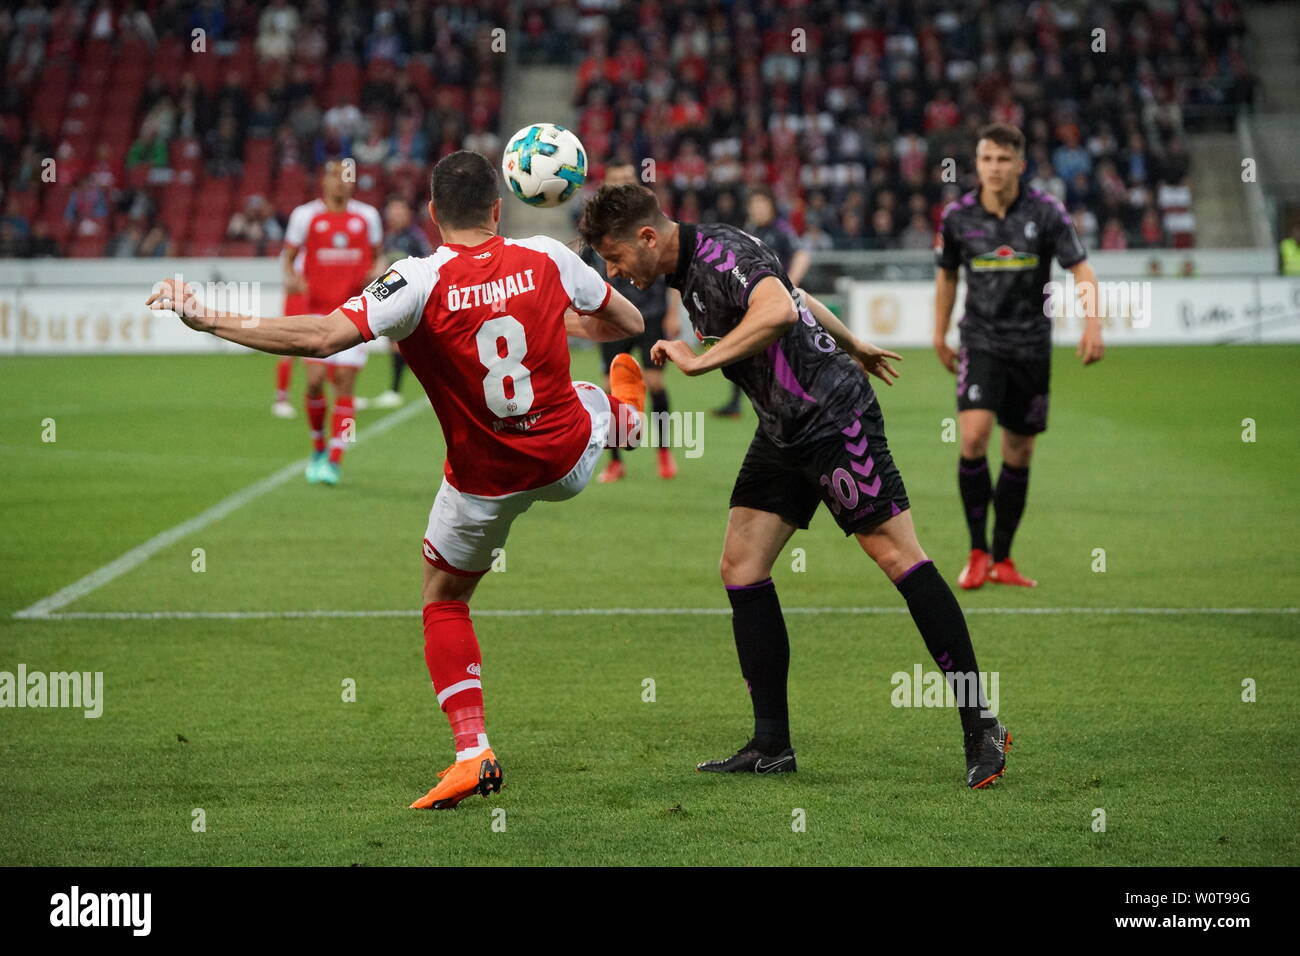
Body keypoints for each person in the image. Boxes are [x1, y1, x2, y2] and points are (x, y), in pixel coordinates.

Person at [147, 150, 647, 808]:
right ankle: (625, 419)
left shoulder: (414, 279)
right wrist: (552, 317)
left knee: (444, 600)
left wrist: (209, 318)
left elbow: (322, 337)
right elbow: (630, 324)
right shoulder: (550, 258)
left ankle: (472, 751)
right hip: (564, 463)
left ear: (435, 215)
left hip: (482, 484)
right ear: (499, 210)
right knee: (586, 396)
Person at [578, 183, 1012, 789]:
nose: (613, 269)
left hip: (834, 419)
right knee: (741, 565)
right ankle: (771, 743)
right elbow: (798, 297)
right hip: (784, 429)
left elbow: (778, 310)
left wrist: (701, 362)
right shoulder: (695, 270)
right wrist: (853, 341)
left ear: (647, 236)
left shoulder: (719, 254)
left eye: (614, 255)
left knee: (898, 556)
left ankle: (981, 722)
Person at [934, 123, 1104, 589]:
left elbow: (1081, 268)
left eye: (1002, 159)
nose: (993, 167)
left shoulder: (1046, 212)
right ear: (977, 163)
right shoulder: (958, 216)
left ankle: (1003, 558)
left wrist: (1093, 323)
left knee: (1019, 450)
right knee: (973, 438)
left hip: (1030, 346)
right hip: (980, 341)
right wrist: (938, 333)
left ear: (1019, 164)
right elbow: (947, 276)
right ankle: (976, 551)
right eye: (986, 158)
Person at [277, 159, 384, 484]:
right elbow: (288, 258)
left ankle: (336, 457)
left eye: (348, 178)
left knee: (345, 387)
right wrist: (292, 278)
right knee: (314, 380)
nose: (342, 183)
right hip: (316, 311)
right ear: (323, 181)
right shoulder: (304, 216)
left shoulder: (368, 216)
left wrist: (377, 269)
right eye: (336, 177)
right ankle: (318, 446)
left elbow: (378, 254)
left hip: (353, 312)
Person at [580, 162, 681, 482]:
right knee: (609, 390)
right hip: (612, 316)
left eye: (627, 179)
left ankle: (664, 454)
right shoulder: (594, 226)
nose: (622, 183)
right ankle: (615, 461)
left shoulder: (651, 220)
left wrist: (673, 311)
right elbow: (581, 270)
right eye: (616, 179)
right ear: (605, 184)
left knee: (655, 384)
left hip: (651, 312)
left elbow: (673, 267)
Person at [713, 187, 810, 418]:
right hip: (753, 301)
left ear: (771, 207)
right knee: (743, 349)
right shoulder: (750, 230)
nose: (758, 209)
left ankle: (793, 401)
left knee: (780, 352)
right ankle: (739, 402)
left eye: (762, 205)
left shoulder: (781, 230)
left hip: (777, 301)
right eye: (754, 205)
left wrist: (790, 284)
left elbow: (802, 254)